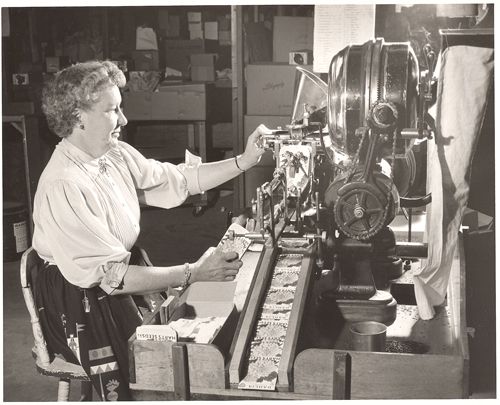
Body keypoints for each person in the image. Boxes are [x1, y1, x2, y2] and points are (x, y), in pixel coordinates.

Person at [32, 60, 266, 400]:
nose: (124, 120)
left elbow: (180, 180)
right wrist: (193, 272)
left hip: (114, 279)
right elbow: (113, 279)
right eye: (113, 110)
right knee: (157, 367)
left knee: (194, 327)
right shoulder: (64, 184)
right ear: (77, 117)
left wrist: (244, 160)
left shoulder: (113, 155)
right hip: (80, 299)